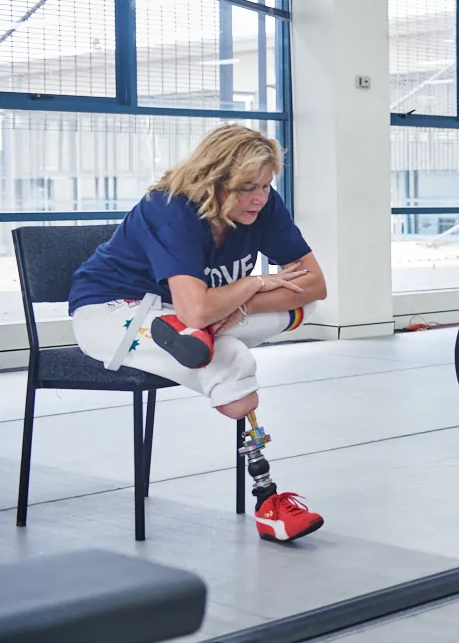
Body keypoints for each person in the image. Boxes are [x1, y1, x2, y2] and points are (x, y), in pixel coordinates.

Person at [68, 124, 327, 542]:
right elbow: (196, 307)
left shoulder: (264, 206)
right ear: (214, 180)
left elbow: (315, 284)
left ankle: (201, 335)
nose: (259, 198)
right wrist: (255, 284)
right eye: (246, 188)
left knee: (302, 302)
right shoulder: (170, 208)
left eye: (265, 185)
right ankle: (268, 501)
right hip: (114, 311)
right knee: (233, 363)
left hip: (198, 313)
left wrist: (236, 307)